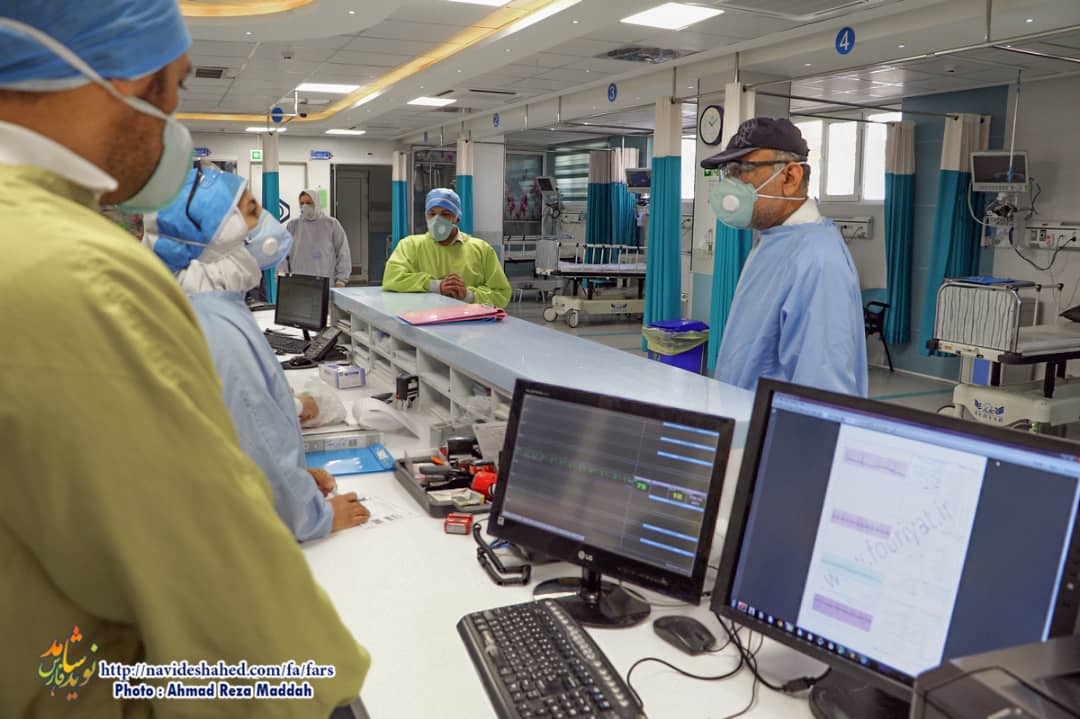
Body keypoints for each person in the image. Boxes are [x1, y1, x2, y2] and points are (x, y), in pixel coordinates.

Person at [0, 4, 369, 715]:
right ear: (107, 77)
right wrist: (319, 683)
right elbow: (235, 605)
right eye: (172, 86)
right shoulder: (79, 274)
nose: (175, 119)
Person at [147, 167, 371, 541]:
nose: (267, 220)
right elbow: (259, 435)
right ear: (218, 237)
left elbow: (229, 435)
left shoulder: (200, 304)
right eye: (252, 210)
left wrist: (296, 481)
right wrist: (312, 512)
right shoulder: (217, 324)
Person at [702, 117, 868, 397]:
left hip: (776, 424)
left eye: (743, 169)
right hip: (744, 415)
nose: (731, 185)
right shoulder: (774, 241)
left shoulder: (818, 262)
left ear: (790, 177)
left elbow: (821, 392)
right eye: (728, 172)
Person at [383, 188, 512, 308]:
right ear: (426, 216)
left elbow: (502, 294)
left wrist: (468, 295)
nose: (437, 220)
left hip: (468, 322)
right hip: (424, 318)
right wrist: (435, 285)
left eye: (445, 214)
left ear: (457, 218)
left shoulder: (481, 250)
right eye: (432, 214)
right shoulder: (410, 246)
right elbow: (391, 279)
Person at [284, 188, 352, 287]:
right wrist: (284, 280)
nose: (304, 206)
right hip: (298, 285)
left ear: (317, 203)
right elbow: (282, 257)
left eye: (308, 203)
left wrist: (341, 281)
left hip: (325, 284)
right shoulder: (293, 226)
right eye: (302, 203)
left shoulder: (331, 224)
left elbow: (343, 253)